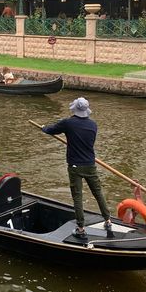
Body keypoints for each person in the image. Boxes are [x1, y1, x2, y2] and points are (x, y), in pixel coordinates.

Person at [42, 97, 112, 239]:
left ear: (74, 109)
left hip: (75, 166)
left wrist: (43, 127)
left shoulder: (68, 123)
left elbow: (51, 130)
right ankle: (108, 220)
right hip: (90, 165)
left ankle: (81, 228)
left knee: (77, 197)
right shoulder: (93, 125)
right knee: (98, 193)